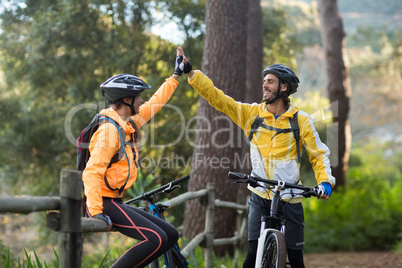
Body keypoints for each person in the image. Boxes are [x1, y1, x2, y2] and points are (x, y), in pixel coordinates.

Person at [177, 46, 335, 268]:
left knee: (296, 260)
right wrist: (192, 74)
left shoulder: (301, 120)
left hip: (290, 197)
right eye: (265, 81)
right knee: (252, 257)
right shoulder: (251, 114)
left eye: (270, 81)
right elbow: (220, 99)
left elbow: (318, 155)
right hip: (260, 195)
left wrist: (325, 182)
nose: (265, 85)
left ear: (284, 87)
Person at [82, 49, 186, 267]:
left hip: (114, 200)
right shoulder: (110, 131)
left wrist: (175, 76)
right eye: (138, 96)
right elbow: (92, 172)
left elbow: (155, 104)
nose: (141, 100)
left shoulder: (128, 123)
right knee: (156, 239)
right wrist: (96, 212)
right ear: (127, 99)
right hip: (103, 203)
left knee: (170, 234)